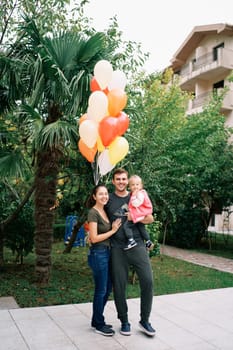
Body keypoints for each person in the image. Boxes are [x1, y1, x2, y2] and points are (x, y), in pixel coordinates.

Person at [105, 168, 156, 337]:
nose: (121, 181)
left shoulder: (135, 195)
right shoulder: (108, 199)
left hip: (138, 245)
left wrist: (136, 218)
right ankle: (124, 321)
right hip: (117, 248)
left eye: (123, 179)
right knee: (119, 286)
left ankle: (145, 320)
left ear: (127, 181)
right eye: (118, 179)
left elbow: (150, 218)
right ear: (113, 181)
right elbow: (99, 217)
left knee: (148, 281)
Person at [87, 184, 122, 336]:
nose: (104, 196)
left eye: (106, 194)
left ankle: (97, 320)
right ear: (94, 196)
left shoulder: (105, 211)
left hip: (107, 253)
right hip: (98, 253)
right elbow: (94, 238)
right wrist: (113, 230)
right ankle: (99, 324)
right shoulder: (93, 212)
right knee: (101, 290)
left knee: (107, 289)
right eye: (100, 194)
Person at [123, 174, 154, 251]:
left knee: (126, 226)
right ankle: (148, 241)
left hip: (140, 214)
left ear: (141, 186)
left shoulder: (140, 193)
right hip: (142, 213)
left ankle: (131, 240)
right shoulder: (139, 193)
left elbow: (136, 203)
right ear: (129, 187)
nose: (135, 186)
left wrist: (133, 196)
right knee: (141, 227)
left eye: (137, 184)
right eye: (133, 185)